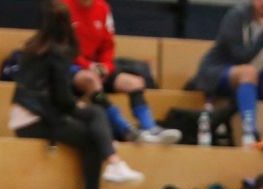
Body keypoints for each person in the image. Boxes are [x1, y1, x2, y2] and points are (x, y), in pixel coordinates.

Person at [10, 3, 144, 189]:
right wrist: (77, 106)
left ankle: (113, 158)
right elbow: (62, 99)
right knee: (93, 132)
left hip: (25, 114)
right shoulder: (58, 53)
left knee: (94, 116)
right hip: (38, 118)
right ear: (67, 25)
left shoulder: (32, 47)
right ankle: (97, 186)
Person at [63, 0, 182, 144]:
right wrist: (88, 66)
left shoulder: (102, 8)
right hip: (70, 67)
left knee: (135, 82)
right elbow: (63, 47)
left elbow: (108, 45)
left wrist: (105, 66)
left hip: (97, 68)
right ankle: (126, 130)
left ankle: (150, 128)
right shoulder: (63, 6)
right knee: (91, 80)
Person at [190, 0, 263, 149]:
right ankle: (250, 133)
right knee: (248, 72)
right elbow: (240, 56)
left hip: (255, 78)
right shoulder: (237, 15)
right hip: (220, 72)